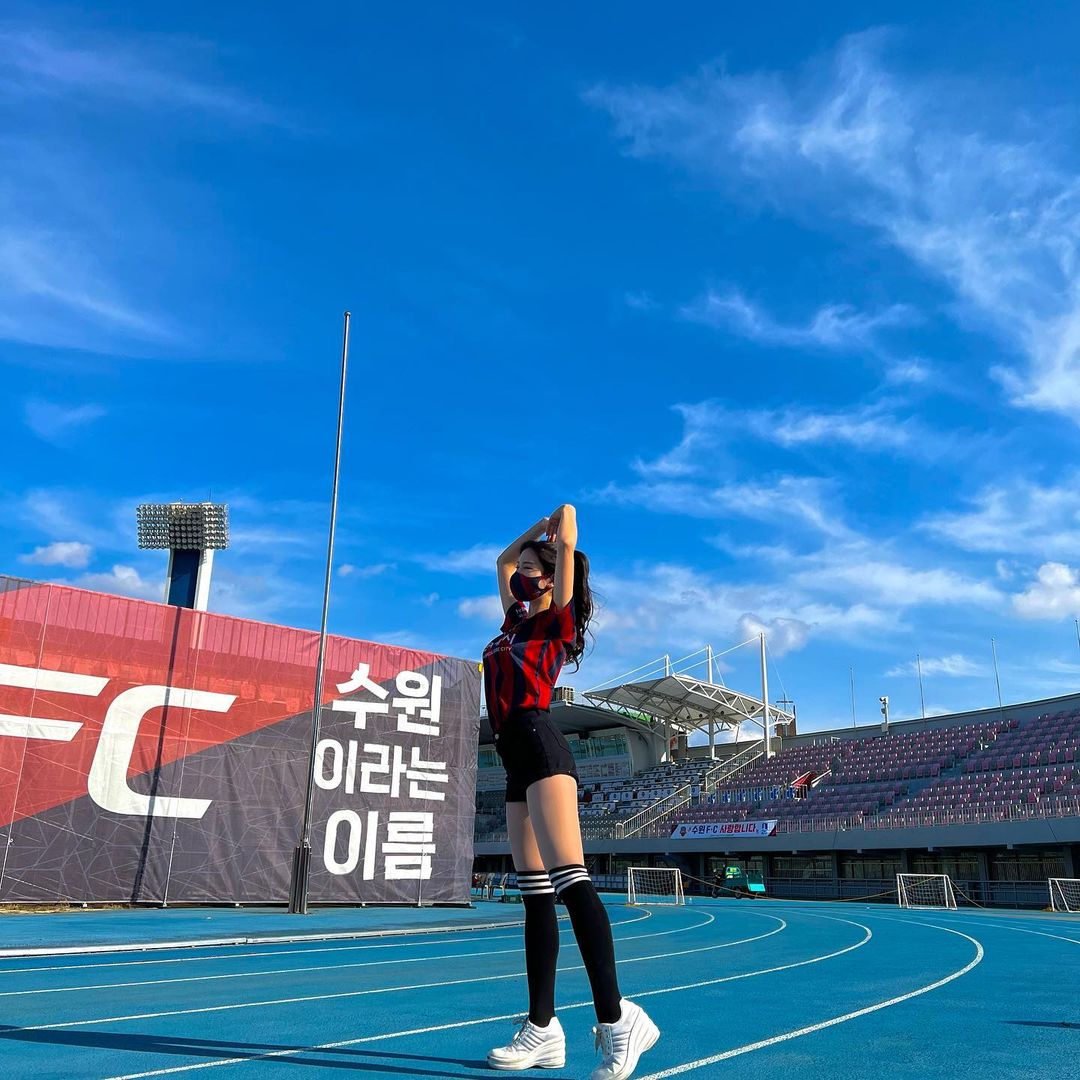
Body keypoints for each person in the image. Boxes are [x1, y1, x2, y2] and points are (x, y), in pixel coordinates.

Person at [483, 505, 659, 1080]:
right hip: (513, 756)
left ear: (552, 578)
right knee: (535, 895)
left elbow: (569, 519)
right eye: (523, 571)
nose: (520, 575)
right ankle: (542, 1028)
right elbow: (501, 560)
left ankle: (618, 1019)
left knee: (571, 881)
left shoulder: (554, 622)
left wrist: (557, 531)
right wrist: (531, 538)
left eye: (532, 570)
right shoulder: (514, 622)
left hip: (541, 746)